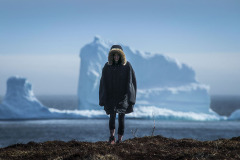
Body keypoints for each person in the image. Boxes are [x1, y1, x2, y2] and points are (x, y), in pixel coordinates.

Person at [99, 45, 137, 144]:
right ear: (111, 55)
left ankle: (120, 139)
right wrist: (103, 98)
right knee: (112, 116)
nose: (116, 57)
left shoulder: (127, 66)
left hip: (123, 97)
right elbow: (103, 83)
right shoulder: (107, 66)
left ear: (121, 55)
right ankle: (112, 137)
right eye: (114, 55)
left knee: (121, 117)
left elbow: (131, 82)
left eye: (118, 55)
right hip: (111, 97)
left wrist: (131, 99)